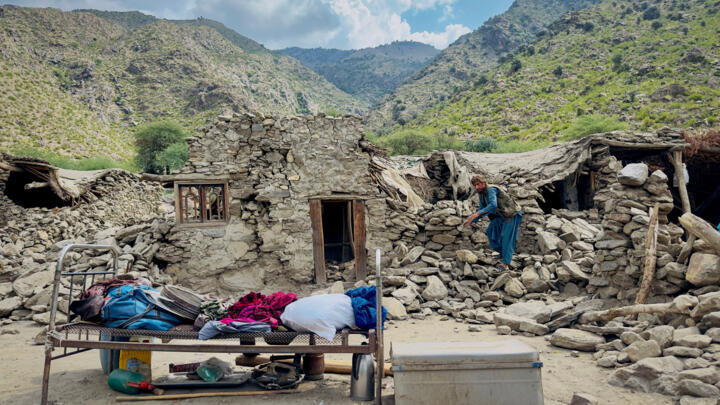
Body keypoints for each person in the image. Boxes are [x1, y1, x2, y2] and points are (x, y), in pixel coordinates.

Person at [463, 174, 522, 271]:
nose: (476, 187)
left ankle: (505, 264)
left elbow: (493, 205)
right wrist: (472, 219)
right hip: (500, 215)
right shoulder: (481, 193)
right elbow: (482, 208)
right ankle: (504, 253)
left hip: (511, 214)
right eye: (475, 185)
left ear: (483, 182)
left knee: (507, 237)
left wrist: (477, 214)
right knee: (490, 231)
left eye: (478, 184)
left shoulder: (491, 190)